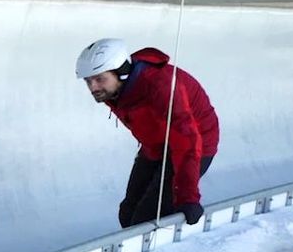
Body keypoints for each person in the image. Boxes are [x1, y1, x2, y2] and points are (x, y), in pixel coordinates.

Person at [76, 38, 218, 228]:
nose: (93, 87)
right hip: (157, 146)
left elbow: (187, 142)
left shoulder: (160, 87)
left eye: (100, 79)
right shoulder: (115, 90)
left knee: (148, 217)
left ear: (122, 73)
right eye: (88, 81)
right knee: (128, 214)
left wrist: (188, 197)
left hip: (196, 142)